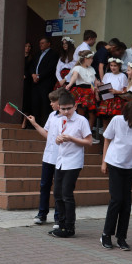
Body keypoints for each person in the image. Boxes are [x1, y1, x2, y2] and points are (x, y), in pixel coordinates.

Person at [100, 101, 132, 251]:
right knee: (116, 199)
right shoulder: (116, 120)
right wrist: (103, 162)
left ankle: (121, 237)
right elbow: (107, 139)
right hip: (114, 162)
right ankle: (106, 234)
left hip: (130, 165)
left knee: (126, 203)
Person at [49, 93, 92, 238]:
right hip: (60, 160)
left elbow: (89, 142)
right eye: (62, 109)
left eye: (68, 108)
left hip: (74, 161)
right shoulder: (59, 120)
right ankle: (60, 224)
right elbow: (55, 139)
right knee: (57, 193)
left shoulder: (81, 121)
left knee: (67, 194)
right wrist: (58, 139)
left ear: (75, 106)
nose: (66, 112)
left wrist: (72, 138)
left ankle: (69, 227)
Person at [25, 88, 67, 227]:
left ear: (60, 102)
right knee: (44, 185)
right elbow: (47, 134)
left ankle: (58, 217)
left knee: (58, 188)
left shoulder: (67, 117)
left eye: (52, 101)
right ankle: (42, 214)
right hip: (48, 156)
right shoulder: (52, 116)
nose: (50, 104)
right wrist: (35, 124)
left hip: (61, 157)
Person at [64, 50, 98, 132]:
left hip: (90, 91)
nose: (92, 60)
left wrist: (96, 91)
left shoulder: (91, 69)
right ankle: (78, 132)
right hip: (81, 92)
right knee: (81, 113)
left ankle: (88, 133)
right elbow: (74, 76)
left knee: (92, 114)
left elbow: (93, 81)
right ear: (85, 59)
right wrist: (70, 84)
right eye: (90, 59)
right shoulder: (77, 68)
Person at [30, 37, 59, 124]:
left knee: (46, 103)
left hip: (46, 83)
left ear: (48, 44)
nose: (40, 45)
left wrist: (40, 76)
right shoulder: (37, 54)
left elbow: (51, 68)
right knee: (35, 103)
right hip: (35, 83)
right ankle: (35, 124)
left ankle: (45, 124)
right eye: (40, 43)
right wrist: (33, 74)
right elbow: (32, 65)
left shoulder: (53, 54)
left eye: (43, 43)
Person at [98, 58, 128, 129]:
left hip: (117, 100)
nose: (113, 67)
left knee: (115, 120)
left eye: (115, 66)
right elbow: (103, 86)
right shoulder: (107, 75)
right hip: (107, 99)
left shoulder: (122, 76)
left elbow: (125, 91)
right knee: (105, 119)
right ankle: (105, 137)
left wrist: (117, 91)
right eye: (111, 65)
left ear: (119, 66)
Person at [21, 41, 36, 120]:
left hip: (27, 82)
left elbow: (31, 69)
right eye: (26, 46)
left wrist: (26, 75)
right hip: (17, 82)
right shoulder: (18, 57)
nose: (27, 48)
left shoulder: (32, 58)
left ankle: (24, 121)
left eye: (29, 46)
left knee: (26, 101)